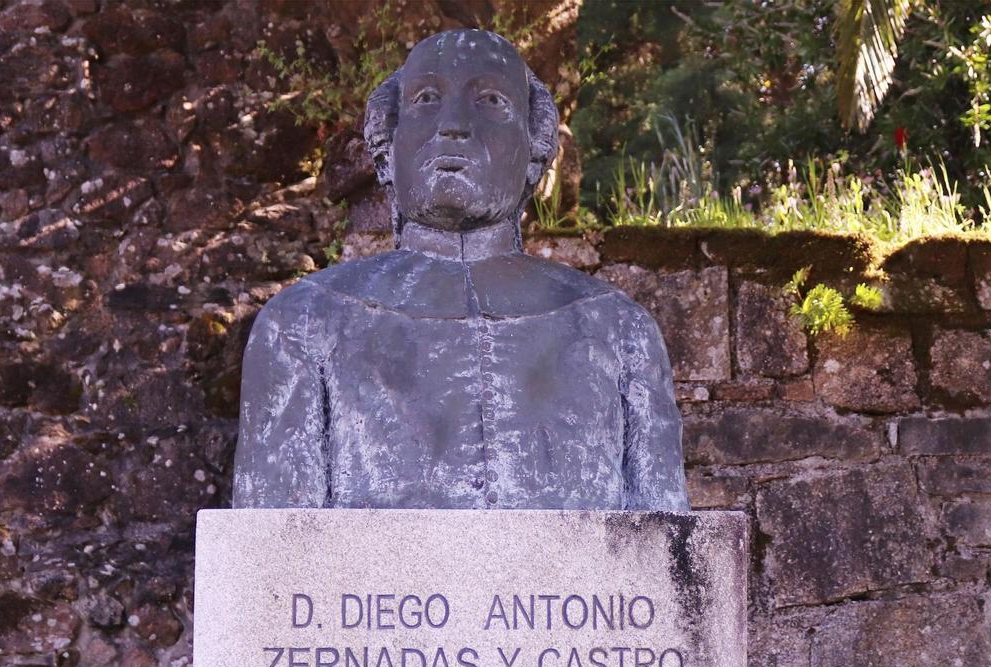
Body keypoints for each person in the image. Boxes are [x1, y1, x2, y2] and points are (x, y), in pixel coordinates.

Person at [232, 29, 688, 511]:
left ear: (534, 150)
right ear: (388, 150)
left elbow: (664, 556)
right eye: (426, 99)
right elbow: (273, 567)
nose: (453, 125)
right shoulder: (302, 324)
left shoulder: (619, 330)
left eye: (490, 101)